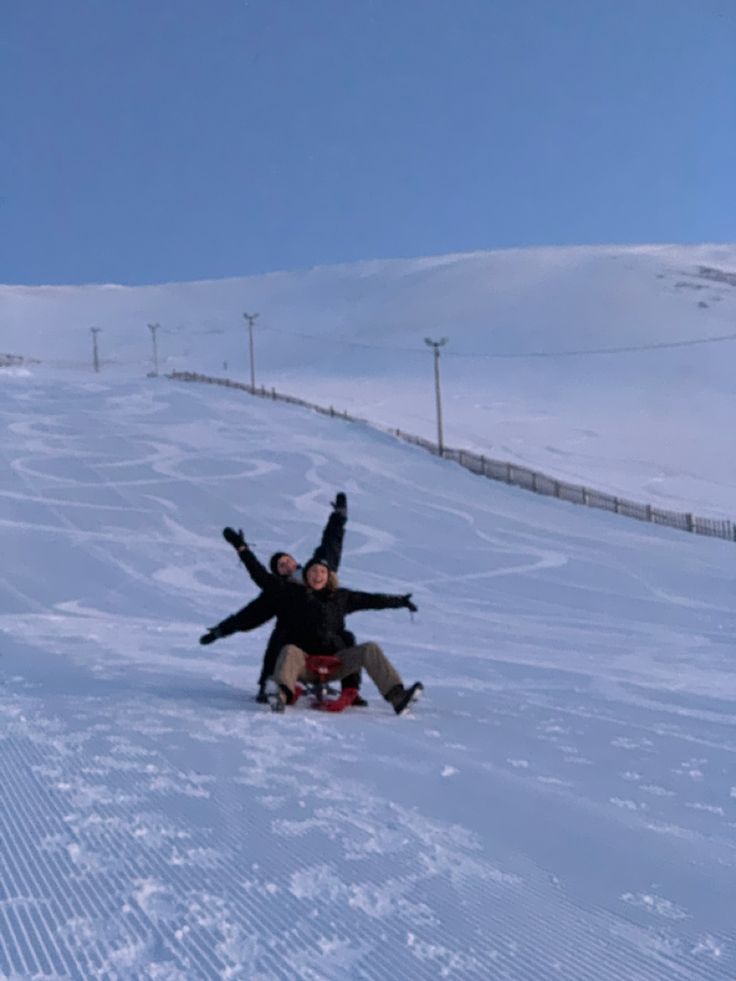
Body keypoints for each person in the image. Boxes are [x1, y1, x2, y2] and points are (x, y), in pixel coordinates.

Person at [199, 494, 366, 704]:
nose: (286, 565)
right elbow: (250, 615)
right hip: (296, 644)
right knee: (280, 633)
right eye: (281, 566)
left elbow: (331, 545)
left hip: (326, 638)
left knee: (347, 637)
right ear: (278, 574)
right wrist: (221, 630)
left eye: (287, 560)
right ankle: (268, 684)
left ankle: (351, 690)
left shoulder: (317, 573)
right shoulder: (278, 592)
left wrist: (338, 517)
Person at [230, 539, 423, 715]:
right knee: (290, 650)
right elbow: (261, 576)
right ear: (306, 575)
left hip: (335, 664)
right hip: (305, 666)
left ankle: (397, 697)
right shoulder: (291, 595)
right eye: (313, 571)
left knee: (370, 649)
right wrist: (242, 549)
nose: (318, 575)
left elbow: (370, 599)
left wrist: (400, 602)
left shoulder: (341, 597)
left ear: (328, 576)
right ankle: (280, 695)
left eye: (322, 572)